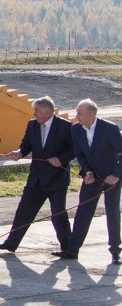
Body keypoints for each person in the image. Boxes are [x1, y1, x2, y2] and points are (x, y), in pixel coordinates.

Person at [0, 96, 73, 253]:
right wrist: (19, 152)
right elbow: (26, 145)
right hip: (36, 178)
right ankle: (11, 243)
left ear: (47, 112)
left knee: (58, 214)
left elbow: (74, 149)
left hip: (57, 179)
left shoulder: (65, 126)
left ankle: (68, 248)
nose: (34, 114)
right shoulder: (32, 125)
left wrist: (60, 159)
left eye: (36, 111)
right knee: (24, 211)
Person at [53, 99, 122, 264]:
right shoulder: (76, 129)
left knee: (112, 212)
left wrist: (116, 175)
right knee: (83, 212)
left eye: (79, 113)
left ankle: (115, 252)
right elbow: (80, 154)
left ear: (91, 114)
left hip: (112, 177)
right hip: (92, 178)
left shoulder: (110, 129)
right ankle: (72, 250)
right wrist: (88, 172)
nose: (76, 116)